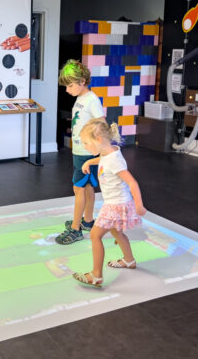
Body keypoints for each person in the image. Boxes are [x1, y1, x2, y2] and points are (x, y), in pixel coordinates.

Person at [72, 120, 147, 288]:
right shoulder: (109, 152)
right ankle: (129, 260)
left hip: (115, 205)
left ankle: (96, 276)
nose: (84, 146)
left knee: (95, 235)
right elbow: (103, 159)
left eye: (86, 143)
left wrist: (139, 205)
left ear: (98, 139)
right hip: (118, 203)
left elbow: (133, 183)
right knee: (117, 233)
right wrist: (89, 162)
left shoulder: (115, 160)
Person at [56, 59, 105, 245]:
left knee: (79, 189)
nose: (67, 90)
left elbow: (101, 124)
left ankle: (76, 229)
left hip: (86, 154)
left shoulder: (92, 100)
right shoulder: (81, 98)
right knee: (87, 187)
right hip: (79, 151)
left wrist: (100, 150)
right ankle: (88, 221)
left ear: (82, 82)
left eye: (70, 86)